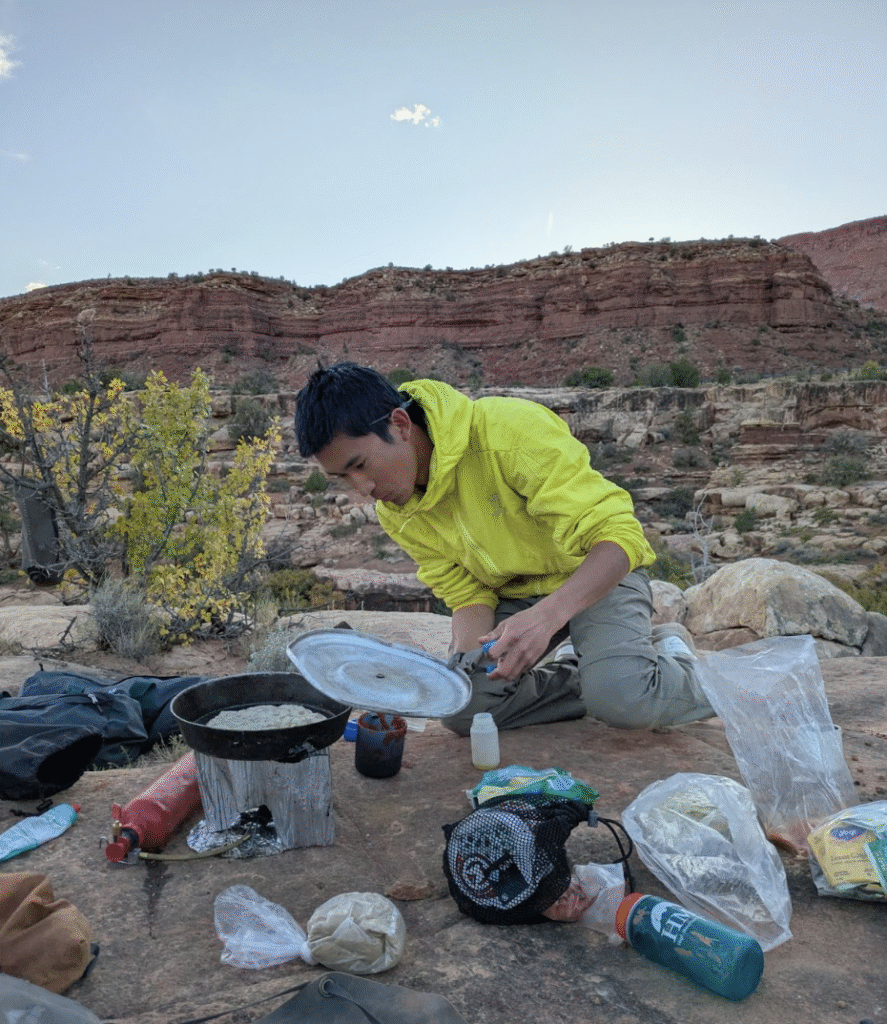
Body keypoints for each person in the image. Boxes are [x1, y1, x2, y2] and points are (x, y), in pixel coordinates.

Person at [295, 362, 713, 735]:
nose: (363, 490)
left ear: (400, 424)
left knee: (626, 702)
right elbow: (466, 594)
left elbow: (621, 539)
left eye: (360, 466)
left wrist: (548, 617)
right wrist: (464, 663)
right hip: (516, 600)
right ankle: (593, 670)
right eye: (342, 478)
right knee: (462, 711)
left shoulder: (506, 431)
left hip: (594, 577)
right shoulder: (397, 508)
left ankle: (689, 671)